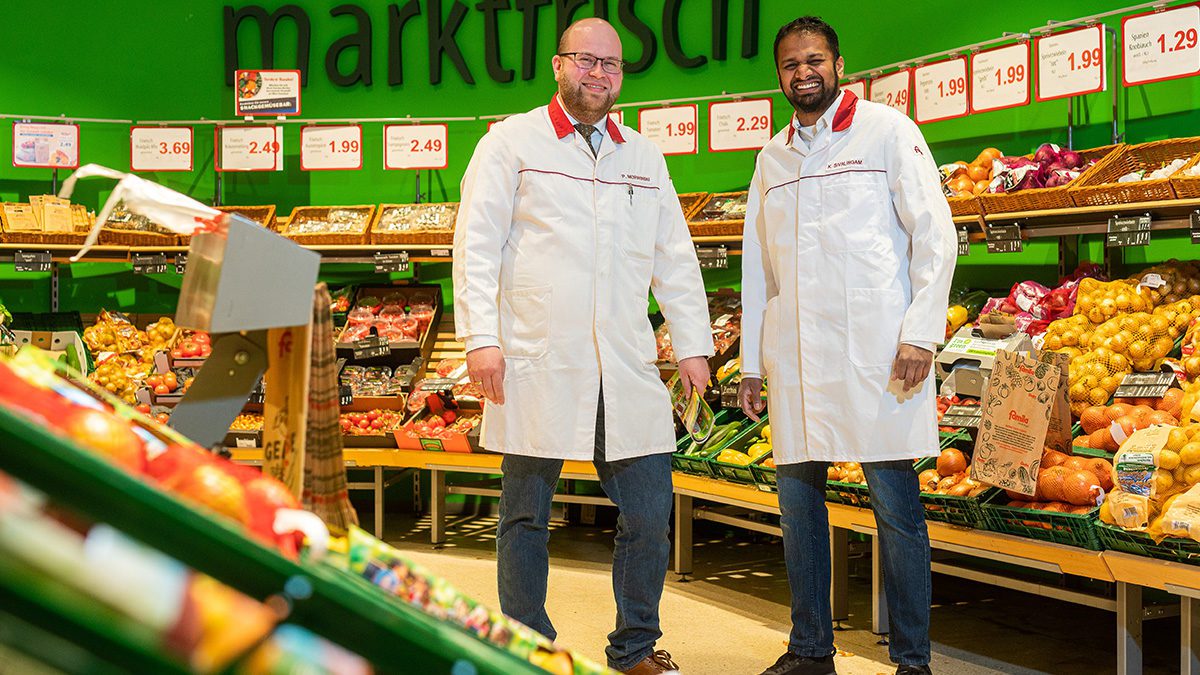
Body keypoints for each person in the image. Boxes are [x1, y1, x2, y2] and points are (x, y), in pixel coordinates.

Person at [452, 17, 714, 675]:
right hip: (538, 359)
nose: (599, 74)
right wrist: (481, 338)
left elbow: (674, 257)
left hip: (624, 363)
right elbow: (476, 245)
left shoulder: (642, 156)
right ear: (557, 65)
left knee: (650, 514)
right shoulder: (510, 143)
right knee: (524, 518)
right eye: (586, 61)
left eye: (612, 65)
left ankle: (632, 648)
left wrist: (693, 345)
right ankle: (527, 647)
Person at [738, 16, 956, 675]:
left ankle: (912, 659)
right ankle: (811, 649)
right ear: (778, 76)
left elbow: (934, 235)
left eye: (814, 60)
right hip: (799, 362)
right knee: (798, 507)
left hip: (878, 356)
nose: (803, 72)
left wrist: (921, 332)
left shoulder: (888, 132)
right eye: (789, 64)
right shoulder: (770, 157)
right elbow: (758, 265)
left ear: (838, 64)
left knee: (896, 509)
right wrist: (752, 362)